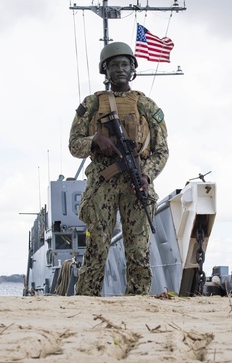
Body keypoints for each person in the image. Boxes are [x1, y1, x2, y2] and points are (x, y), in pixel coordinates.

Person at [69, 42, 169, 296]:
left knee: (138, 249)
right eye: (114, 65)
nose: (120, 69)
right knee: (97, 248)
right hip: (103, 181)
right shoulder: (92, 104)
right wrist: (94, 141)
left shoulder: (145, 106)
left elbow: (161, 151)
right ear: (106, 70)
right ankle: (86, 301)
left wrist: (147, 174)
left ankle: (137, 303)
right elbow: (74, 145)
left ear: (133, 68)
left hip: (137, 182)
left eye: (125, 64)